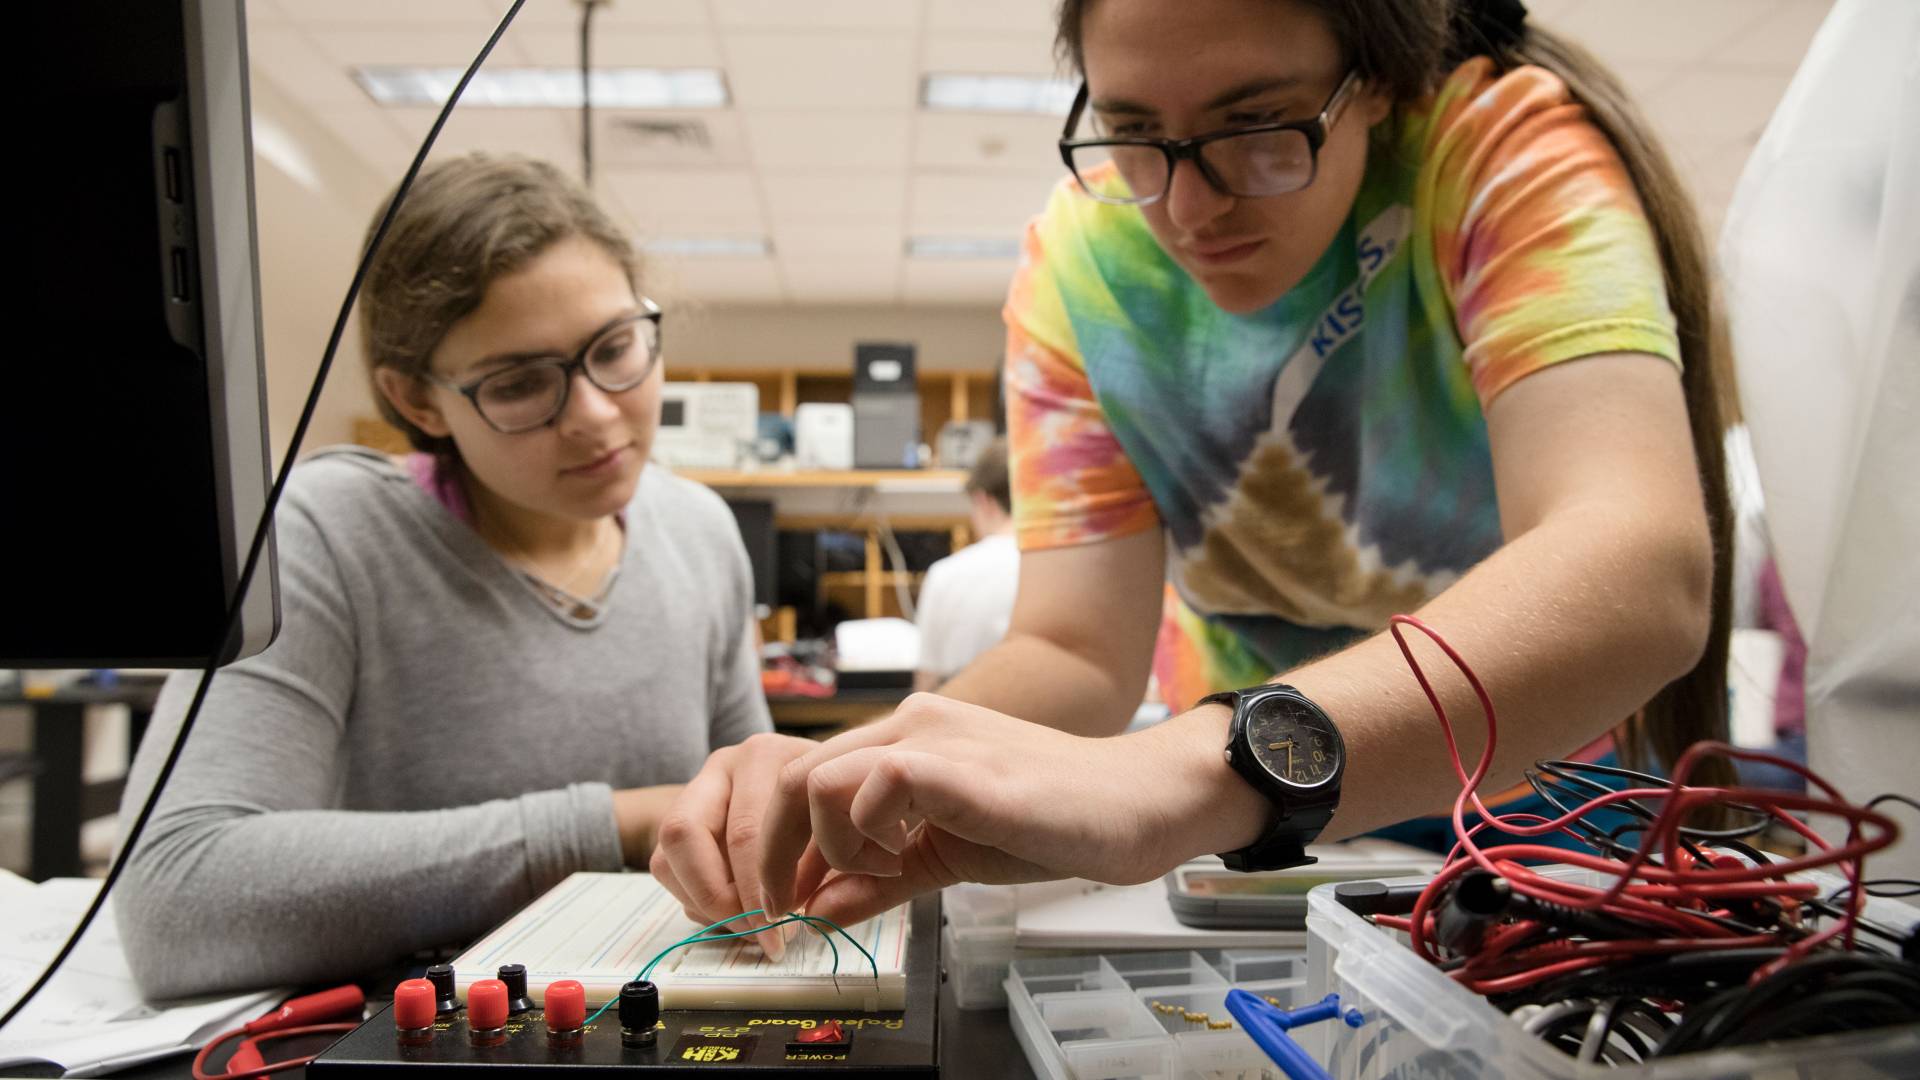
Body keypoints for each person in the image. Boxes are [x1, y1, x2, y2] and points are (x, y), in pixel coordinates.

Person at [649, 0, 1739, 947]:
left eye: (1258, 128)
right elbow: (1076, 649)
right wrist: (853, 769)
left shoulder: (1494, 150)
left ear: (1379, 85)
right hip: (1256, 833)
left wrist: (1196, 770)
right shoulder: (1083, 266)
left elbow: (1637, 568)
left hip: (1548, 822)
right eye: (1132, 133)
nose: (1188, 207)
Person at [112, 154, 770, 997]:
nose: (598, 413)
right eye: (523, 383)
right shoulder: (325, 536)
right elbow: (177, 901)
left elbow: (739, 820)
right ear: (418, 401)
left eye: (616, 348)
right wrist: (614, 825)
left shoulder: (699, 532)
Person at [913, 439, 1020, 691]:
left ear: (983, 500)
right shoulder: (1061, 570)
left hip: (965, 717)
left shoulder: (945, 574)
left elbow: (926, 684)